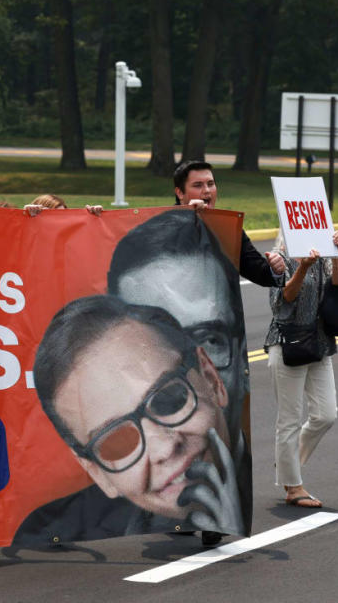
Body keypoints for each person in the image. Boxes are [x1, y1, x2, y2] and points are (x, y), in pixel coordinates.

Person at [13, 295, 248, 546]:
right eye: (118, 441)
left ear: (212, 379)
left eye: (168, 399)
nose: (164, 448)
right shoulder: (48, 538)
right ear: (97, 473)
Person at [107, 208, 250, 546]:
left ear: (240, 351)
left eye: (210, 340)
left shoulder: (243, 482)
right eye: (157, 345)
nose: (194, 379)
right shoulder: (73, 515)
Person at [264, 230, 338, 509]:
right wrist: (302, 269)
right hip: (287, 344)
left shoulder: (322, 259)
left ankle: (288, 463)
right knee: (289, 418)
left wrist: (334, 258)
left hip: (319, 344)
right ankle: (293, 487)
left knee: (326, 414)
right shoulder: (279, 260)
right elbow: (282, 301)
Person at [172, 159, 285, 286]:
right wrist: (187, 217)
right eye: (198, 185)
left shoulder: (228, 227)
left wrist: (275, 269)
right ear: (180, 193)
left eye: (210, 184)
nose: (207, 190)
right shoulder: (164, 225)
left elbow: (256, 270)